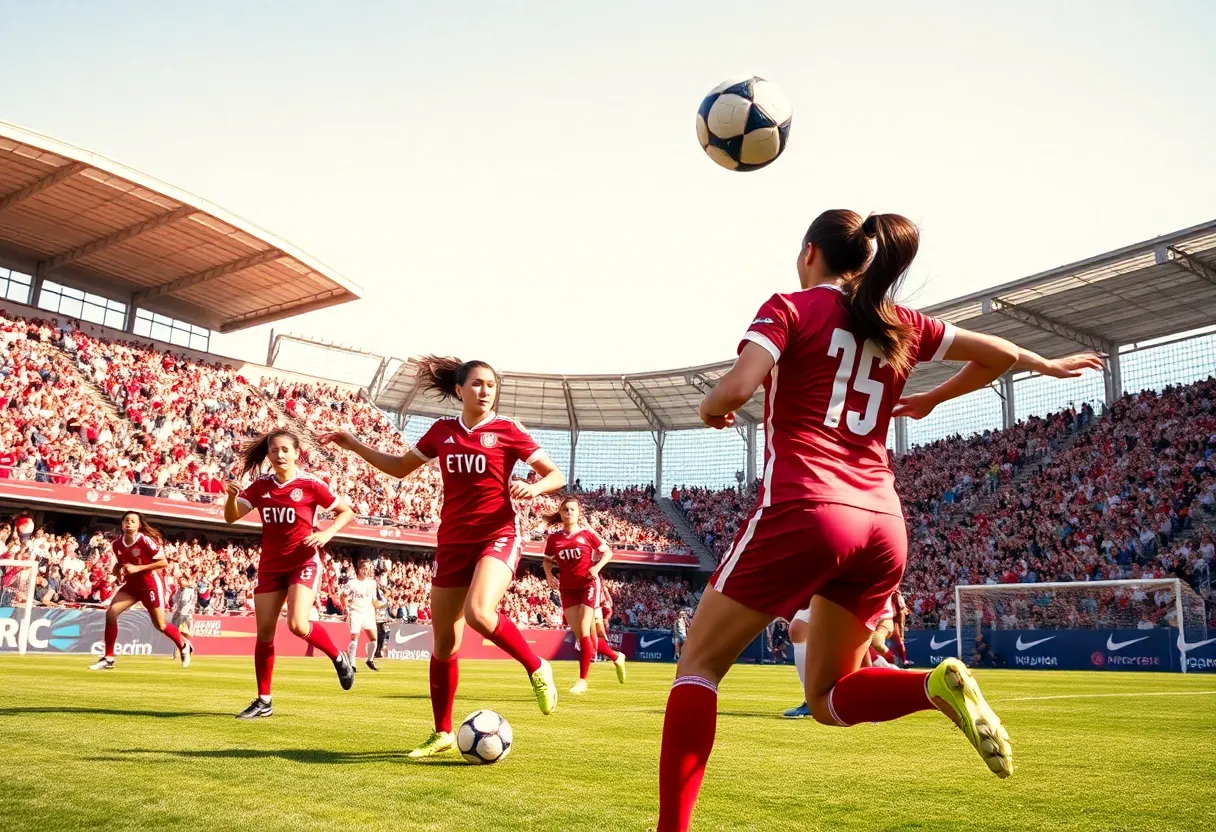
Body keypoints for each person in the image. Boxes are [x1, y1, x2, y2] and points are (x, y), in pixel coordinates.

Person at [656, 209, 1103, 830]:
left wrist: (709, 408)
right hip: (883, 522)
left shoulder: (789, 307)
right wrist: (1003, 379)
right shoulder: (900, 322)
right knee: (826, 698)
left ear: (809, 252)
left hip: (807, 505)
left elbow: (734, 391)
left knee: (698, 667)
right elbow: (999, 354)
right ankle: (931, 687)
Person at [325, 356, 565, 759]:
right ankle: (442, 733)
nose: (485, 391)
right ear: (459, 390)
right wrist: (354, 445)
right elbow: (400, 468)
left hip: (498, 535)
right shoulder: (442, 431)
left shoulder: (508, 430)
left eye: (490, 385)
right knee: (443, 645)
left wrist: (535, 488)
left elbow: (555, 475)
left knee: (479, 613)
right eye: (476, 384)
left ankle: (537, 666)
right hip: (452, 543)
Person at [224, 429, 357, 719]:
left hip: (303, 562)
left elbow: (346, 512)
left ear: (297, 453)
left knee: (298, 625)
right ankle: (264, 700)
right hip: (270, 565)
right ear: (268, 454)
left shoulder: (311, 485)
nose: (279, 455)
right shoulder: (260, 486)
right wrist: (231, 498)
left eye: (285, 450)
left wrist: (328, 534)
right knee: (264, 634)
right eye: (274, 450)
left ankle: (337, 656)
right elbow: (231, 517)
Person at [542, 496, 627, 693]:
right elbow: (547, 560)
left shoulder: (587, 534)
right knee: (582, 637)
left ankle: (582, 681)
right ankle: (616, 657)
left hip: (588, 585)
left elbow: (607, 552)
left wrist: (596, 568)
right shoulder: (554, 538)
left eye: (572, 509)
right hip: (567, 589)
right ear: (561, 513)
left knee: (585, 628)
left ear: (579, 513)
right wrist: (548, 575)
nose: (569, 512)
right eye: (566, 510)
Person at [88, 512, 192, 671]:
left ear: (139, 526)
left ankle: (184, 646)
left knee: (160, 625)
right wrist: (117, 569)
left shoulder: (145, 541)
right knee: (111, 613)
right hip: (132, 586)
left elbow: (163, 562)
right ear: (122, 524)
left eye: (133, 521)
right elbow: (122, 562)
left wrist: (137, 568)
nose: (129, 523)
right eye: (126, 521)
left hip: (149, 585)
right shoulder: (116, 544)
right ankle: (108, 658)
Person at [341, 559, 382, 671]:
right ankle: (352, 663)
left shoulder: (372, 583)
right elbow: (343, 596)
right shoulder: (352, 583)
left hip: (368, 613)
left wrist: (380, 605)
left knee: (373, 638)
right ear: (359, 569)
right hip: (356, 612)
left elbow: (374, 600)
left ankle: (370, 660)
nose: (366, 571)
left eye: (368, 569)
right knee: (355, 637)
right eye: (364, 568)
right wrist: (346, 609)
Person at [169, 576, 198, 662]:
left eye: (182, 581)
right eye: (180, 581)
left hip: (185, 615)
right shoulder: (179, 590)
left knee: (177, 632)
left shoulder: (189, 589)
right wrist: (171, 602)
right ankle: (175, 654)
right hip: (179, 613)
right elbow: (174, 600)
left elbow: (193, 584)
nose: (180, 582)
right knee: (173, 632)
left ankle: (187, 645)